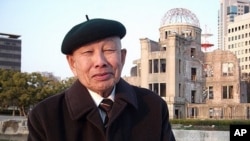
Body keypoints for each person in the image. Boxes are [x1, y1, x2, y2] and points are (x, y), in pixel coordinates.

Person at [27, 16, 176, 141]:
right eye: (88, 52)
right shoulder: (45, 117)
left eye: (109, 50)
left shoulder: (154, 107)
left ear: (122, 57)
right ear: (72, 63)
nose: (100, 62)